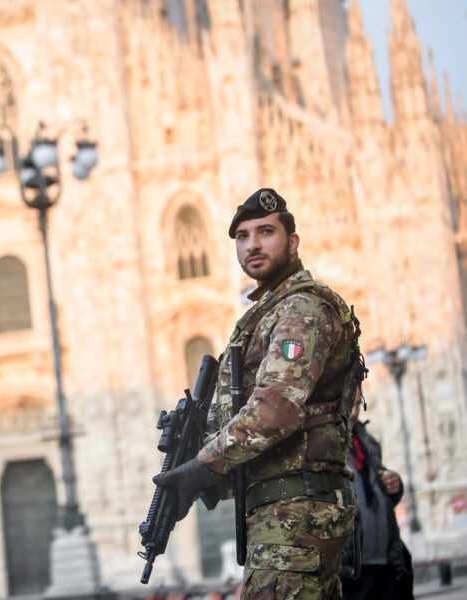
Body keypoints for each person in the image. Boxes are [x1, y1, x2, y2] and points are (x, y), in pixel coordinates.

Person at [154, 188, 365, 599]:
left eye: (266, 232)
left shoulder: (301, 310)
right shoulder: (269, 312)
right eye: (242, 236)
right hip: (285, 515)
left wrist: (204, 466)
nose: (252, 244)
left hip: (295, 517)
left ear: (292, 242)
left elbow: (276, 410)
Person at [340, 396, 413, 599]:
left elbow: (374, 487)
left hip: (385, 566)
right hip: (351, 574)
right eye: (348, 403)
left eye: (357, 404)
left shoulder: (366, 441)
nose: (354, 412)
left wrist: (393, 484)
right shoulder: (323, 445)